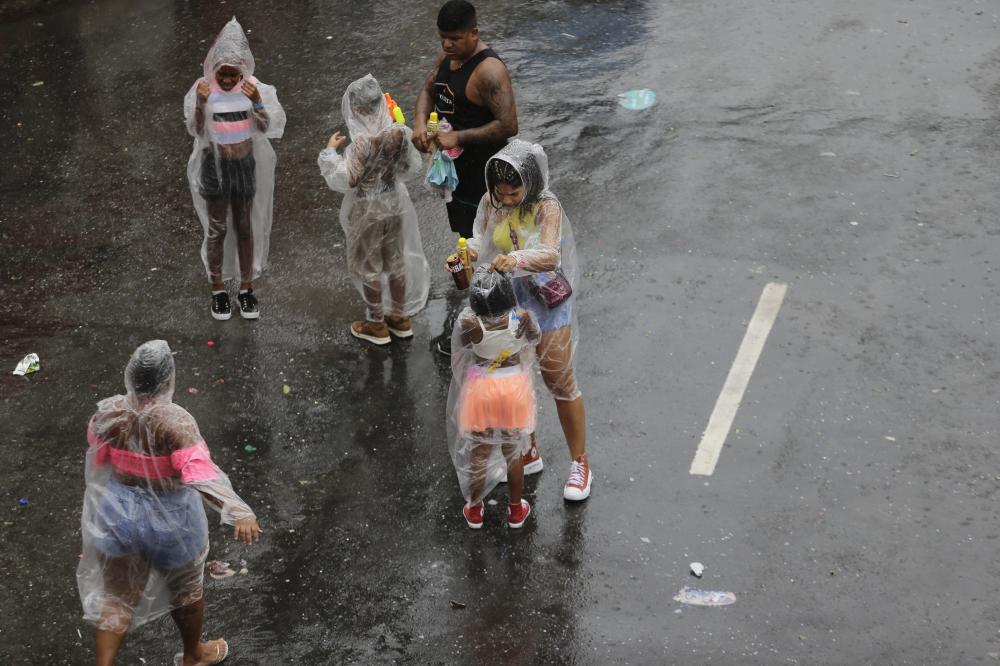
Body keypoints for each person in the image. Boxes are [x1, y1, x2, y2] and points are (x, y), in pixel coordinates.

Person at [77, 340, 262, 666]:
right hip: (173, 521)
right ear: (167, 382)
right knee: (187, 592)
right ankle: (194, 654)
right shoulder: (176, 423)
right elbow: (200, 475)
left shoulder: (108, 414)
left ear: (131, 376)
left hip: (117, 514)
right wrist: (237, 510)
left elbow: (100, 459)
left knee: (117, 596)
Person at [467, 140, 592, 501]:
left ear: (531, 183)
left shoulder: (546, 206)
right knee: (516, 378)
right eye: (500, 192)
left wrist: (517, 259)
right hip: (507, 301)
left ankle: (579, 462)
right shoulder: (490, 201)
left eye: (514, 192)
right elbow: (482, 238)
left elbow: (550, 254)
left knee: (557, 379)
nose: (506, 199)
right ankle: (528, 448)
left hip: (545, 300)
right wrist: (471, 251)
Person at [412, 0, 518, 354]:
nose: (446, 45)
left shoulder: (489, 72)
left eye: (454, 38)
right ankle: (477, 323)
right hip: (457, 179)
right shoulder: (448, 60)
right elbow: (428, 90)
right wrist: (419, 125)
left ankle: (492, 334)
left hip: (484, 179)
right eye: (442, 38)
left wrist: (460, 136)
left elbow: (508, 125)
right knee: (466, 245)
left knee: (489, 251)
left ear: (474, 32)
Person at [184, 18, 286, 321]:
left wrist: (257, 105)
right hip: (213, 167)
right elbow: (198, 131)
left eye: (234, 73)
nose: (228, 79)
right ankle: (217, 290)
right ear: (214, 67)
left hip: (243, 164)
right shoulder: (203, 90)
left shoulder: (254, 88)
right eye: (223, 73)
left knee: (244, 226)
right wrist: (202, 104)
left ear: (243, 69)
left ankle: (245, 289)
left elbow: (268, 128)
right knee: (216, 229)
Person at [319, 74, 430, 345]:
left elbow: (349, 179)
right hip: (394, 202)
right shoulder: (396, 133)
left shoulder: (361, 143)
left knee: (369, 264)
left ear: (355, 109)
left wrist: (330, 154)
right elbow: (408, 168)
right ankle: (400, 318)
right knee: (395, 261)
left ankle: (376, 323)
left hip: (367, 207)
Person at [447, 267, 539, 528]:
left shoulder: (469, 322)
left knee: (480, 452)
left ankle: (475, 509)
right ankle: (515, 510)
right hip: (513, 387)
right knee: (513, 451)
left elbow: (462, 349)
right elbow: (534, 339)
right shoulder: (521, 317)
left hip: (482, 389)